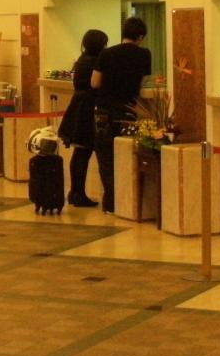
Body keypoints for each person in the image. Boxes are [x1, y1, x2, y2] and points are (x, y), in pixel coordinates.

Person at [91, 16, 152, 213]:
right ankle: (127, 204)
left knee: (106, 158)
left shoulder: (107, 53)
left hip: (105, 111)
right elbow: (142, 82)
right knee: (126, 156)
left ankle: (110, 203)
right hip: (128, 111)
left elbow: (95, 83)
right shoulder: (144, 55)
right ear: (140, 37)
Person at [56, 29, 108, 208]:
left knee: (80, 152)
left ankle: (76, 192)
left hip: (78, 106)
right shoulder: (95, 61)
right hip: (87, 108)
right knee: (84, 152)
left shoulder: (82, 60)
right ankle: (78, 193)